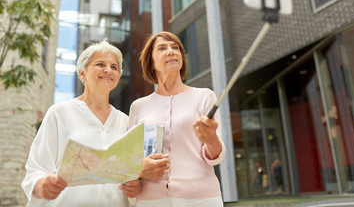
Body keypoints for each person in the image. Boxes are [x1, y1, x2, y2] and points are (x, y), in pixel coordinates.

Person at [21, 40, 141, 207]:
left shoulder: (126, 122)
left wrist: (134, 189)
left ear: (118, 77)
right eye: (100, 64)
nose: (108, 69)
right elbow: (37, 168)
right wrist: (41, 186)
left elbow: (132, 178)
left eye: (114, 67)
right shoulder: (59, 113)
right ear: (82, 73)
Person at [128, 31, 226, 207]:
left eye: (176, 48)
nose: (171, 51)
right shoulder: (138, 107)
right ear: (151, 63)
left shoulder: (204, 96)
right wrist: (137, 172)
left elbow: (216, 156)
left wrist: (210, 138)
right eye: (162, 48)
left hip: (200, 199)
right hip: (150, 201)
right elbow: (130, 159)